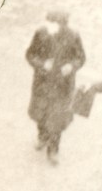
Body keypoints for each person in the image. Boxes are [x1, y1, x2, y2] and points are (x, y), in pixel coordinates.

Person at [26, 11, 86, 165]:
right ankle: (42, 136)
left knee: (57, 118)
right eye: (50, 23)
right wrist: (42, 64)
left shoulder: (73, 36)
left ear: (64, 24)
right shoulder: (41, 33)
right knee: (41, 112)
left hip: (63, 86)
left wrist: (71, 66)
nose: (52, 27)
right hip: (43, 84)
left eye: (58, 24)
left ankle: (53, 149)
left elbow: (80, 57)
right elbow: (30, 54)